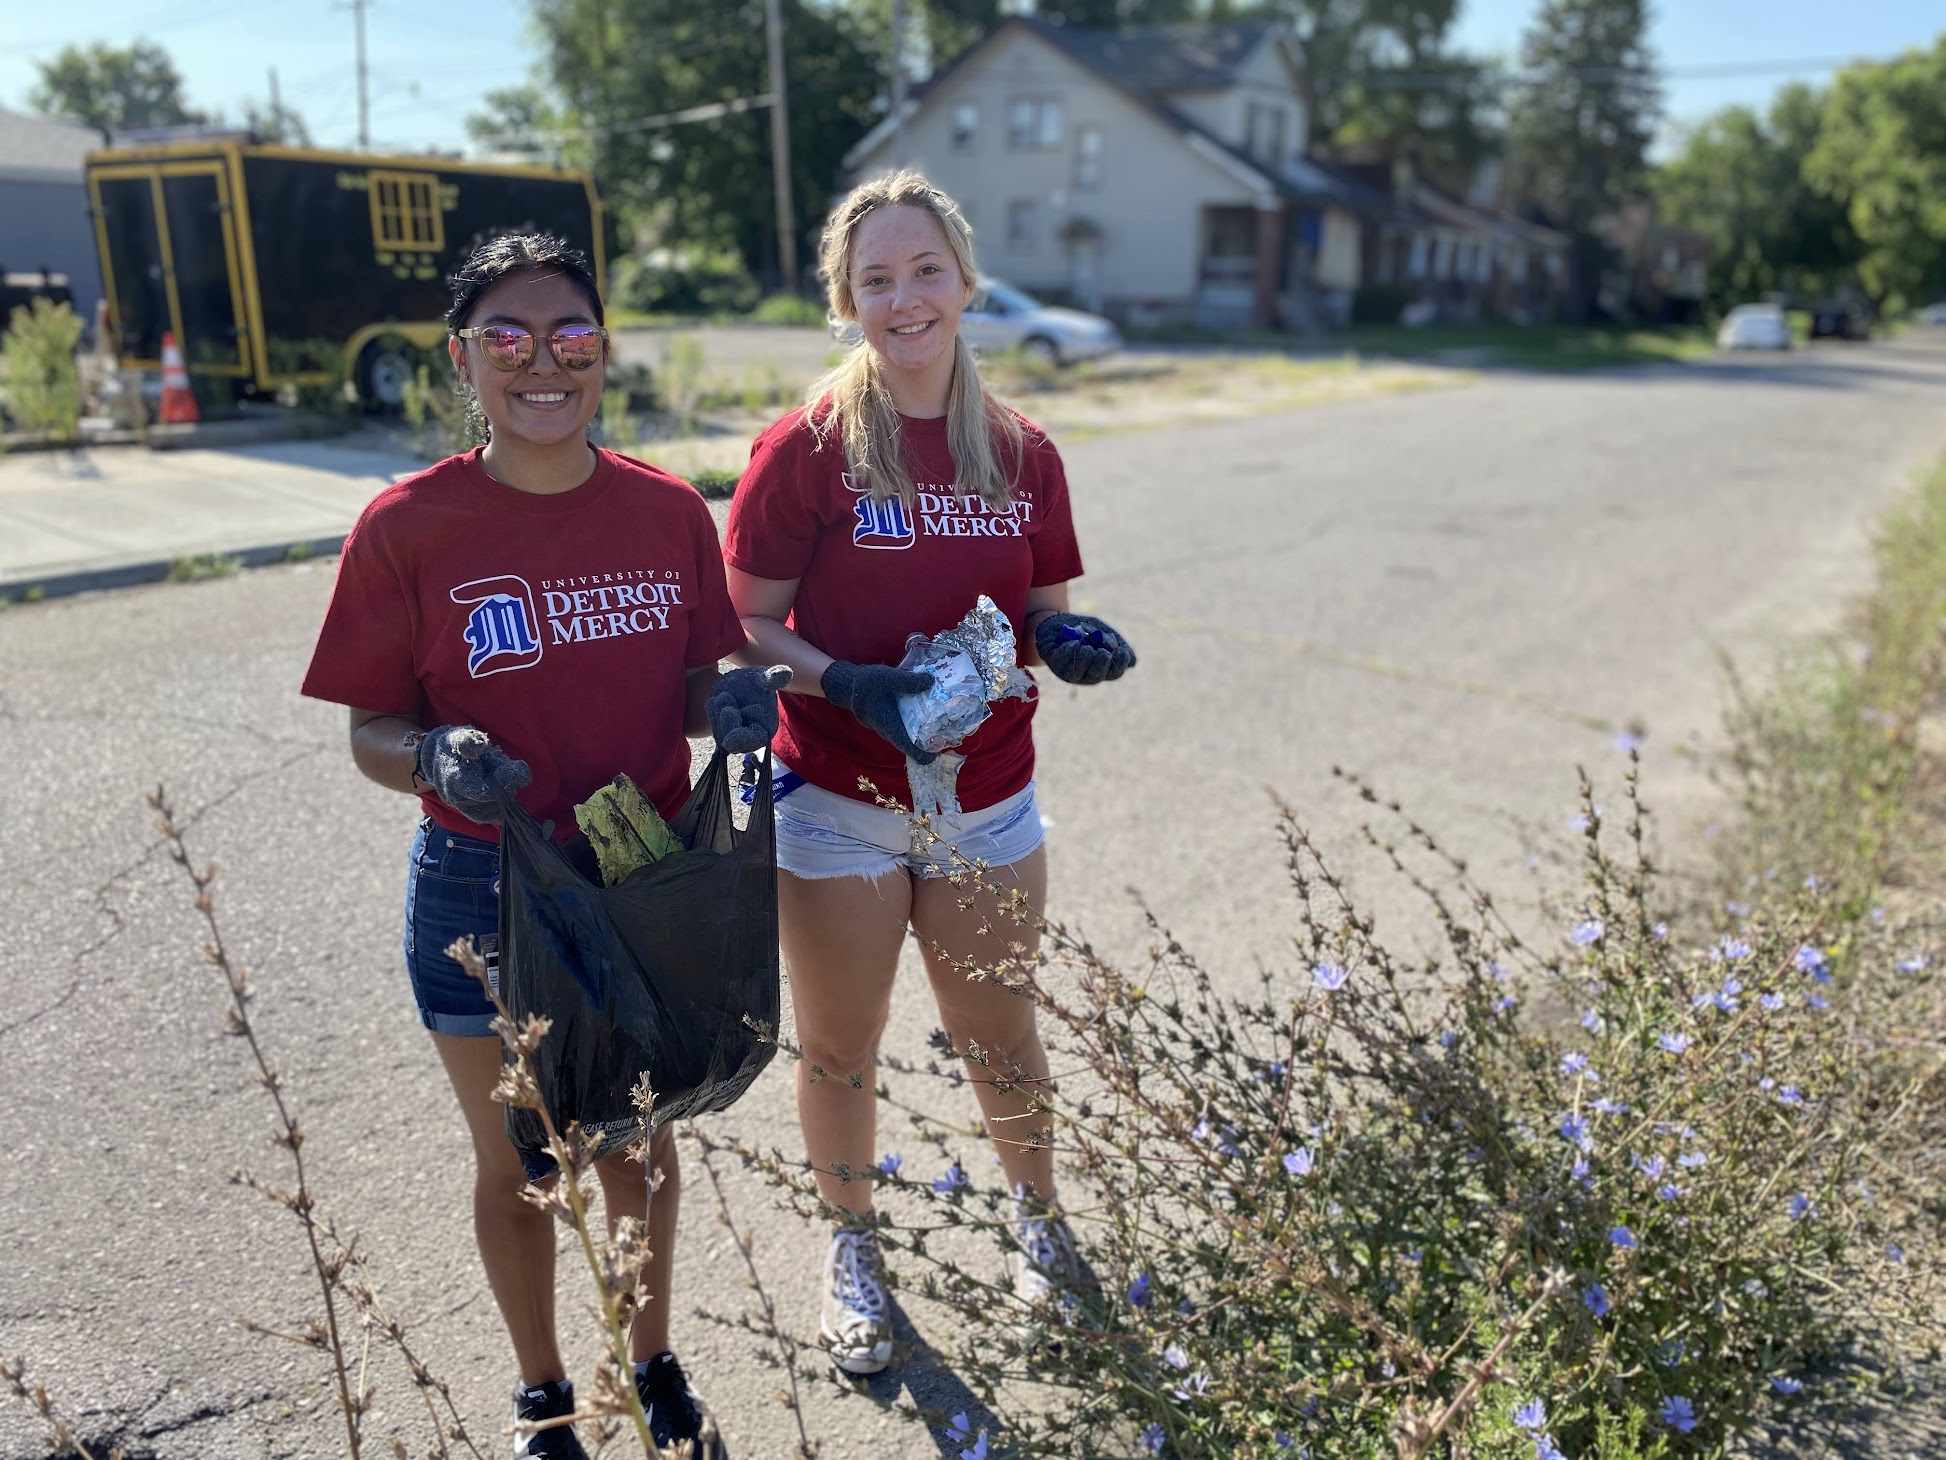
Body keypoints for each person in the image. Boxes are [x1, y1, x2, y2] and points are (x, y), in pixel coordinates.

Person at [301, 233, 782, 1458]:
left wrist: (728, 701)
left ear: (601, 353)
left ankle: (652, 1356)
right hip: (481, 887)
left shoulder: (666, 507)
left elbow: (696, 678)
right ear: (463, 360)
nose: (542, 365)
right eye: (506, 339)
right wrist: (429, 758)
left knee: (639, 1134)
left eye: (570, 336)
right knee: (525, 1156)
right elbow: (370, 729)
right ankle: (543, 1396)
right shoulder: (406, 527)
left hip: (642, 882)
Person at [722, 171, 1137, 1376]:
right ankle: (853, 1249)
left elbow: (1040, 609)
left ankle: (1038, 1225)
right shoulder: (804, 448)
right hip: (840, 807)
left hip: (987, 801)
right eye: (875, 279)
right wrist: (845, 683)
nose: (904, 298)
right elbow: (745, 620)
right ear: (844, 302)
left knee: (998, 1035)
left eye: (924, 271)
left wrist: (1068, 639)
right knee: (840, 1047)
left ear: (965, 279)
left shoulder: (1021, 448)